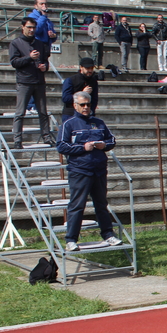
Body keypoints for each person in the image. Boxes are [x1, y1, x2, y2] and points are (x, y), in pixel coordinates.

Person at [56, 91, 122, 252]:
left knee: (101, 204)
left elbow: (112, 140)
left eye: (88, 104)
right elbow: (61, 146)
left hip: (99, 170)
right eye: (82, 105)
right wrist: (82, 148)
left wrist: (103, 146)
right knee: (77, 205)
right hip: (80, 170)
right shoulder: (69, 124)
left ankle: (108, 234)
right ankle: (71, 239)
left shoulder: (98, 122)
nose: (86, 108)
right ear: (75, 105)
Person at [9, 17, 54, 149]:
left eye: (33, 28)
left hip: (39, 81)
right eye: (29, 27)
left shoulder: (40, 43)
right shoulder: (16, 43)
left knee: (43, 111)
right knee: (20, 112)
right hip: (24, 81)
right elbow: (14, 62)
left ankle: (46, 137)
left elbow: (45, 60)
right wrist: (29, 58)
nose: (31, 30)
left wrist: (45, 67)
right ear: (23, 27)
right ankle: (17, 140)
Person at [61, 57, 98, 122]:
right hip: (70, 114)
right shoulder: (71, 80)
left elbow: (94, 99)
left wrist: (91, 112)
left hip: (87, 115)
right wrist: (81, 93)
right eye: (87, 68)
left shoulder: (93, 81)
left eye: (91, 68)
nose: (90, 71)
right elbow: (65, 98)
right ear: (81, 67)